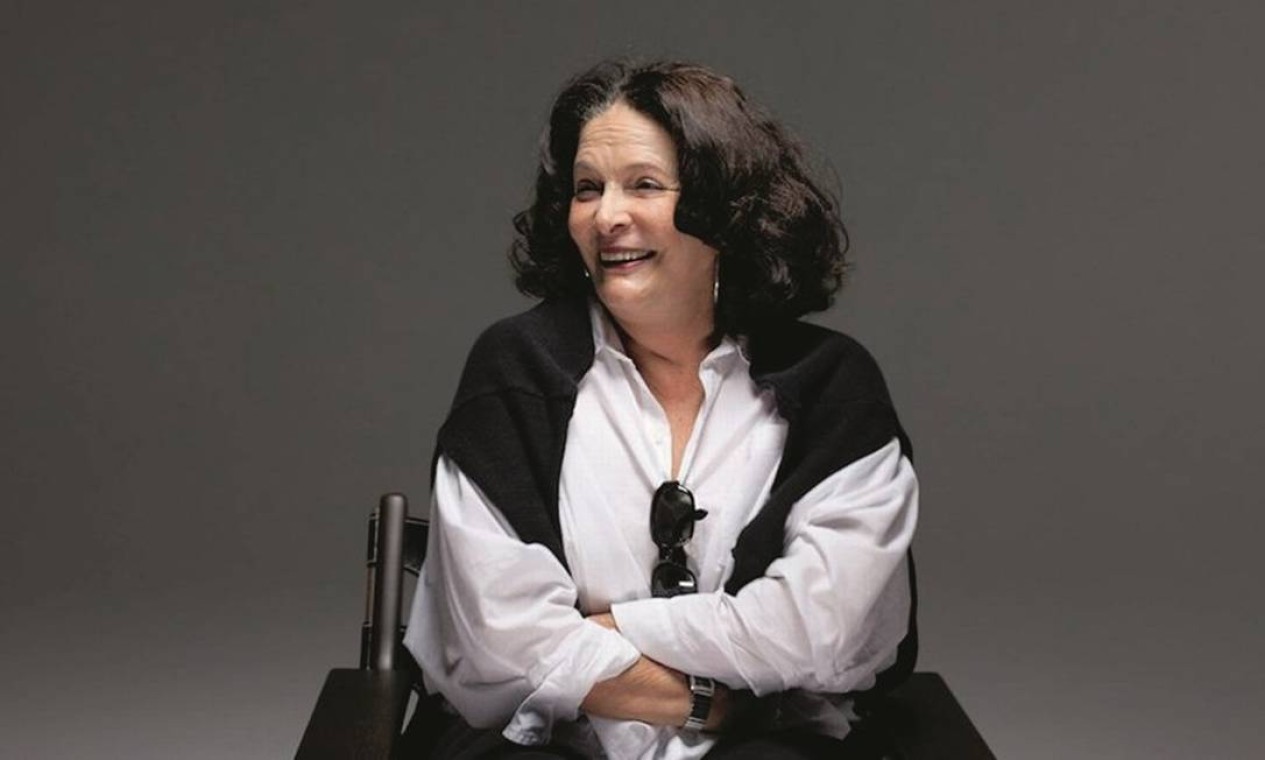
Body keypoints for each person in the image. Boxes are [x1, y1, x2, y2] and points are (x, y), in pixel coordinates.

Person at [403, 59, 919, 760]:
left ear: (725, 209)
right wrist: (712, 703)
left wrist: (605, 628)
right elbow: (502, 638)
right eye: (587, 189)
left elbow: (823, 628)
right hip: (546, 742)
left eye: (644, 185)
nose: (606, 217)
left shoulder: (833, 386)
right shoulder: (516, 370)